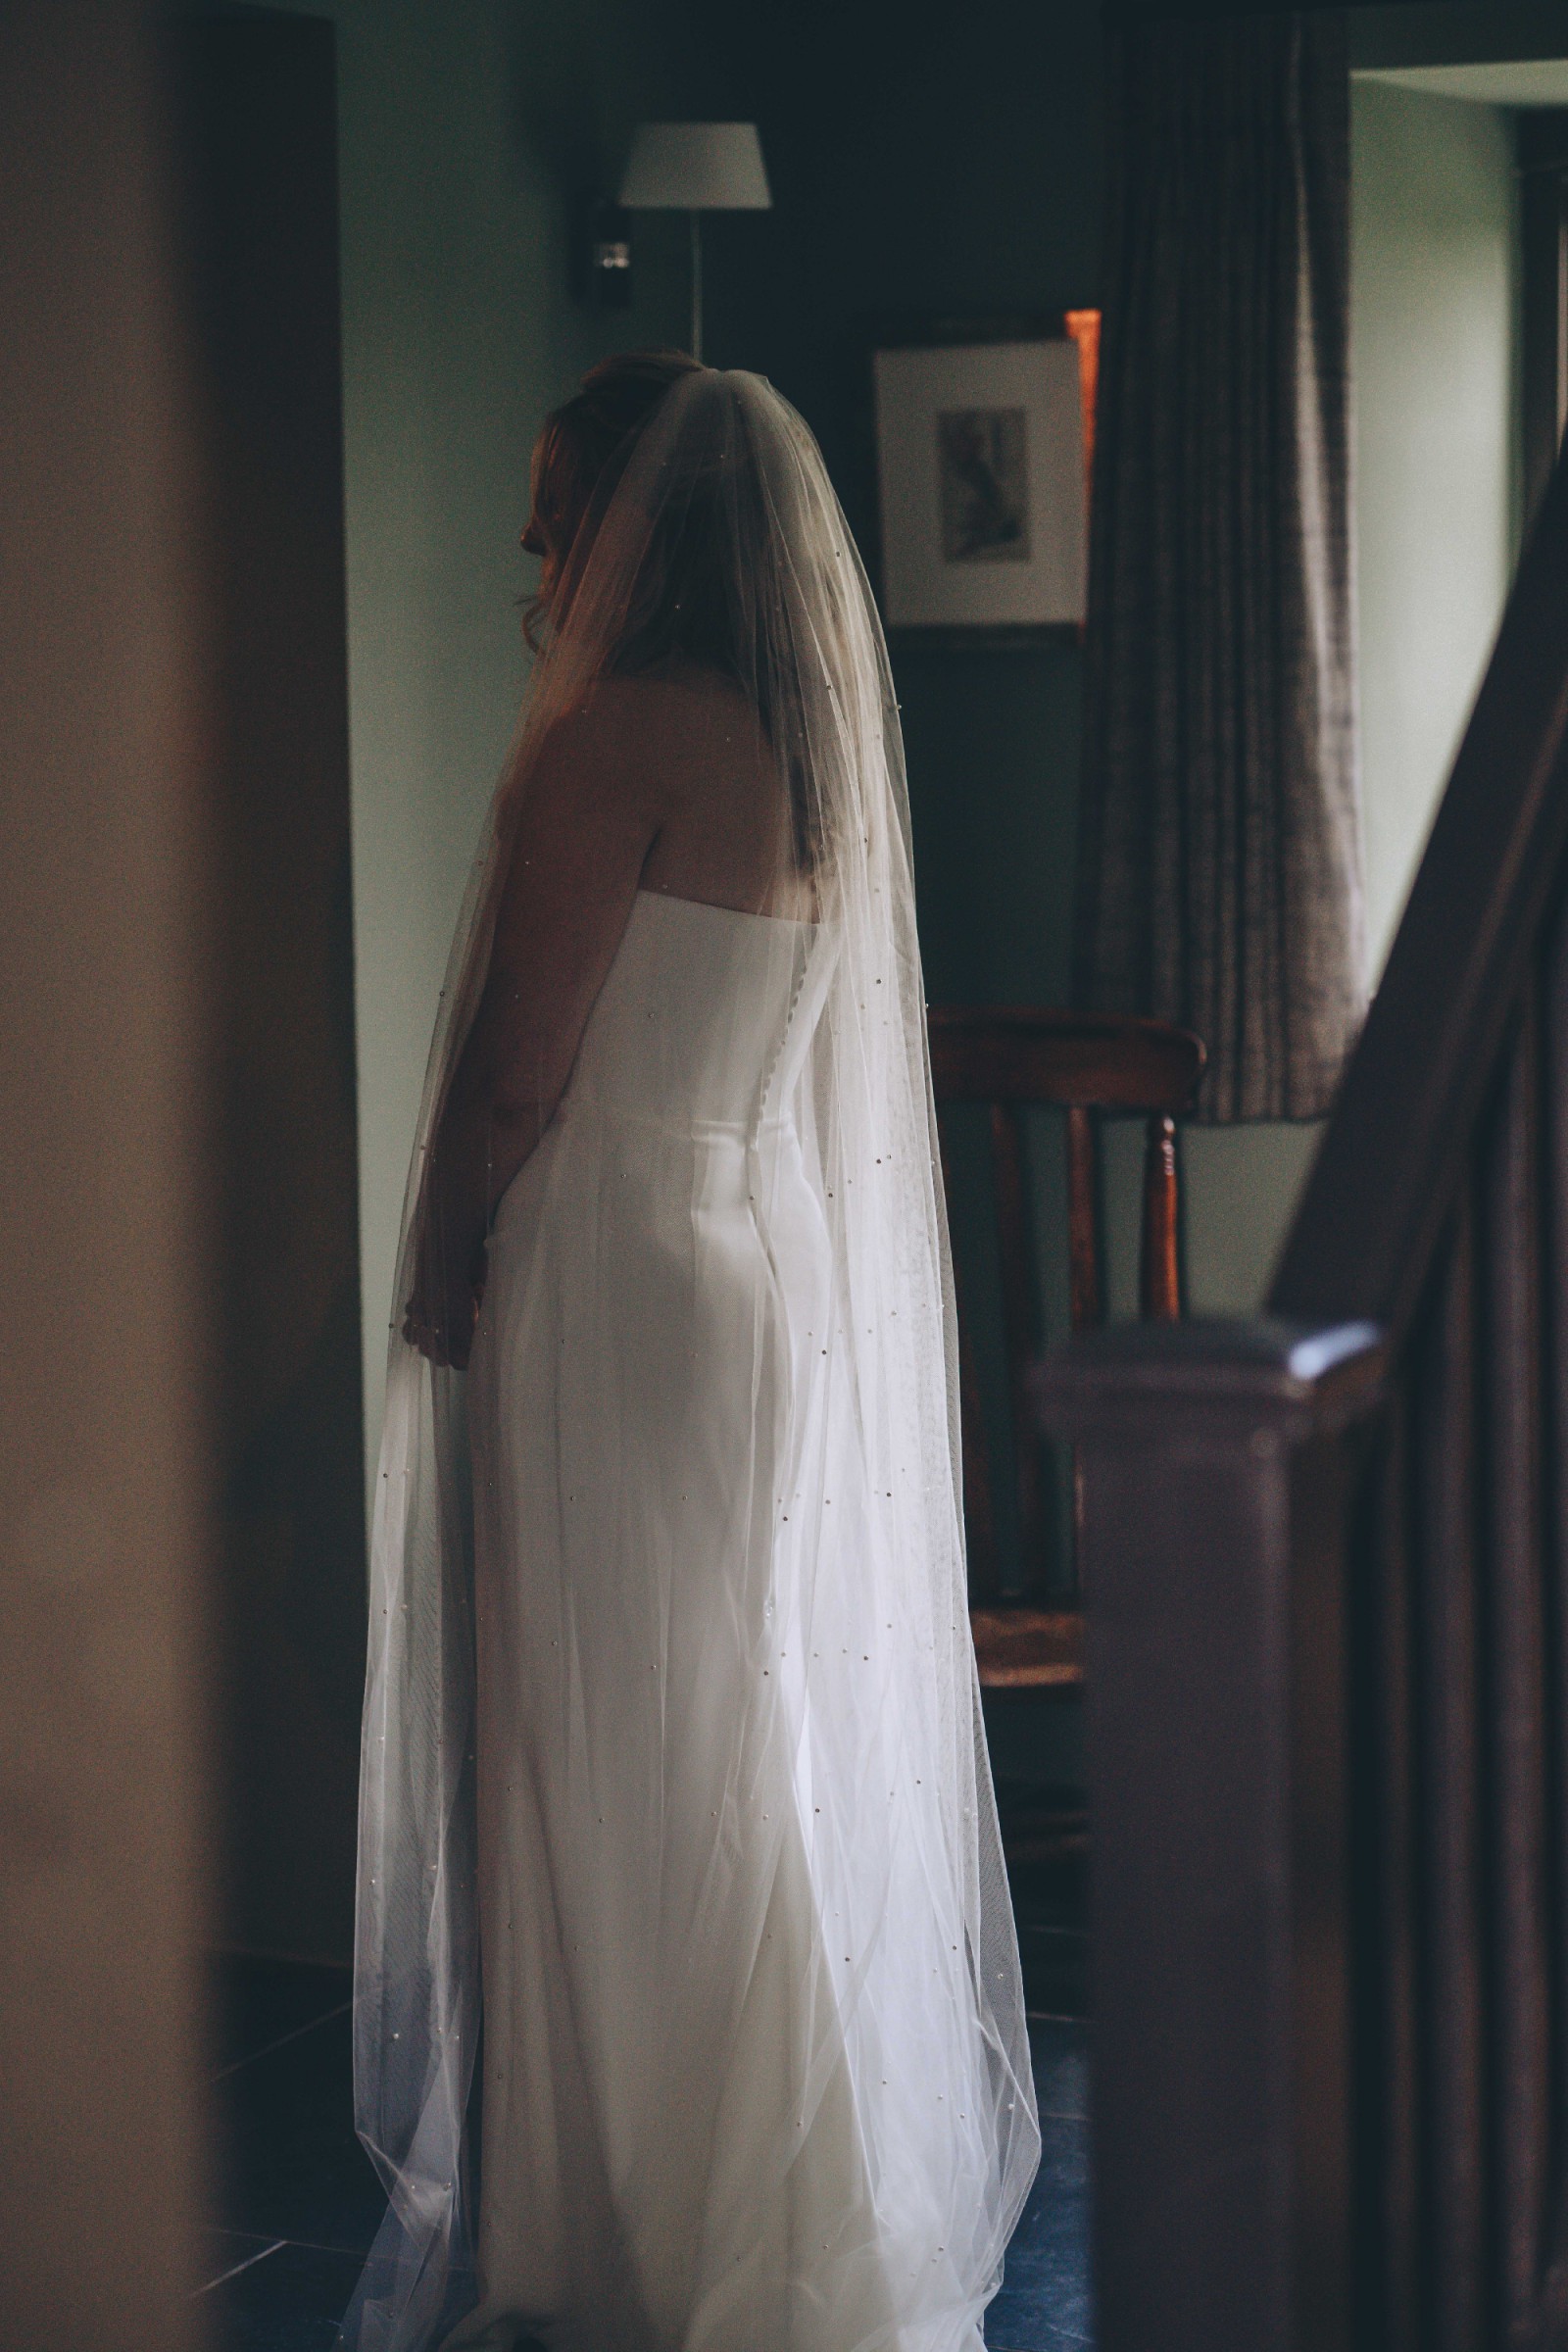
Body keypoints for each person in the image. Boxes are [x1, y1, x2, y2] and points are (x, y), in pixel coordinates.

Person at [342, 355, 1039, 2352]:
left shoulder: (610, 739)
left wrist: (441, 1263)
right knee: (716, 1739)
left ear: (641, 515)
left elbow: (519, 1070)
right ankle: (743, 2198)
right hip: (738, 1259)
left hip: (606, 1271)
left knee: (592, 1752)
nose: (535, 541)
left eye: (558, 499)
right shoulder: (796, 741)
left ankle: (635, 2229)